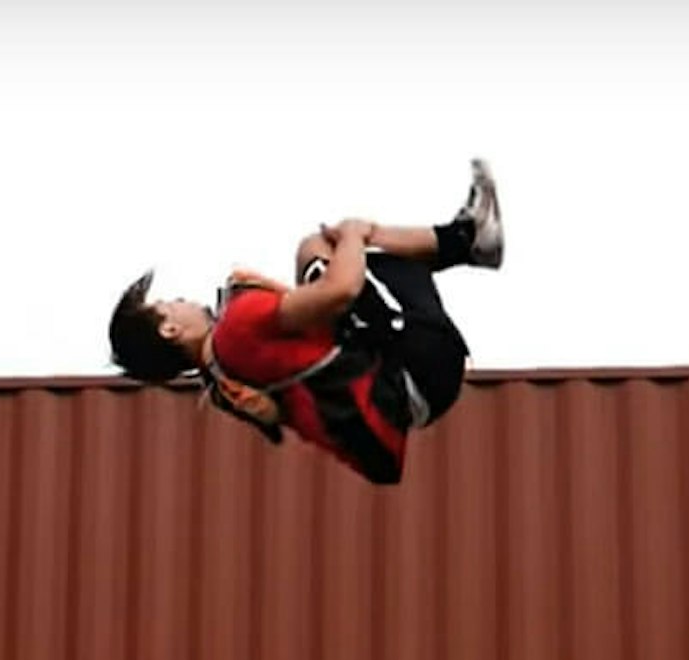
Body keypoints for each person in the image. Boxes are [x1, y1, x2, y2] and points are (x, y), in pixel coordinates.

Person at [108, 160, 504, 486]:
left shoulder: (222, 383)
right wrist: (354, 234)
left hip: (411, 399)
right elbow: (343, 291)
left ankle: (469, 239)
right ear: (169, 329)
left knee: (314, 252)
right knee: (349, 253)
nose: (181, 300)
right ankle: (469, 239)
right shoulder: (236, 327)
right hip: (420, 364)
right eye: (168, 304)